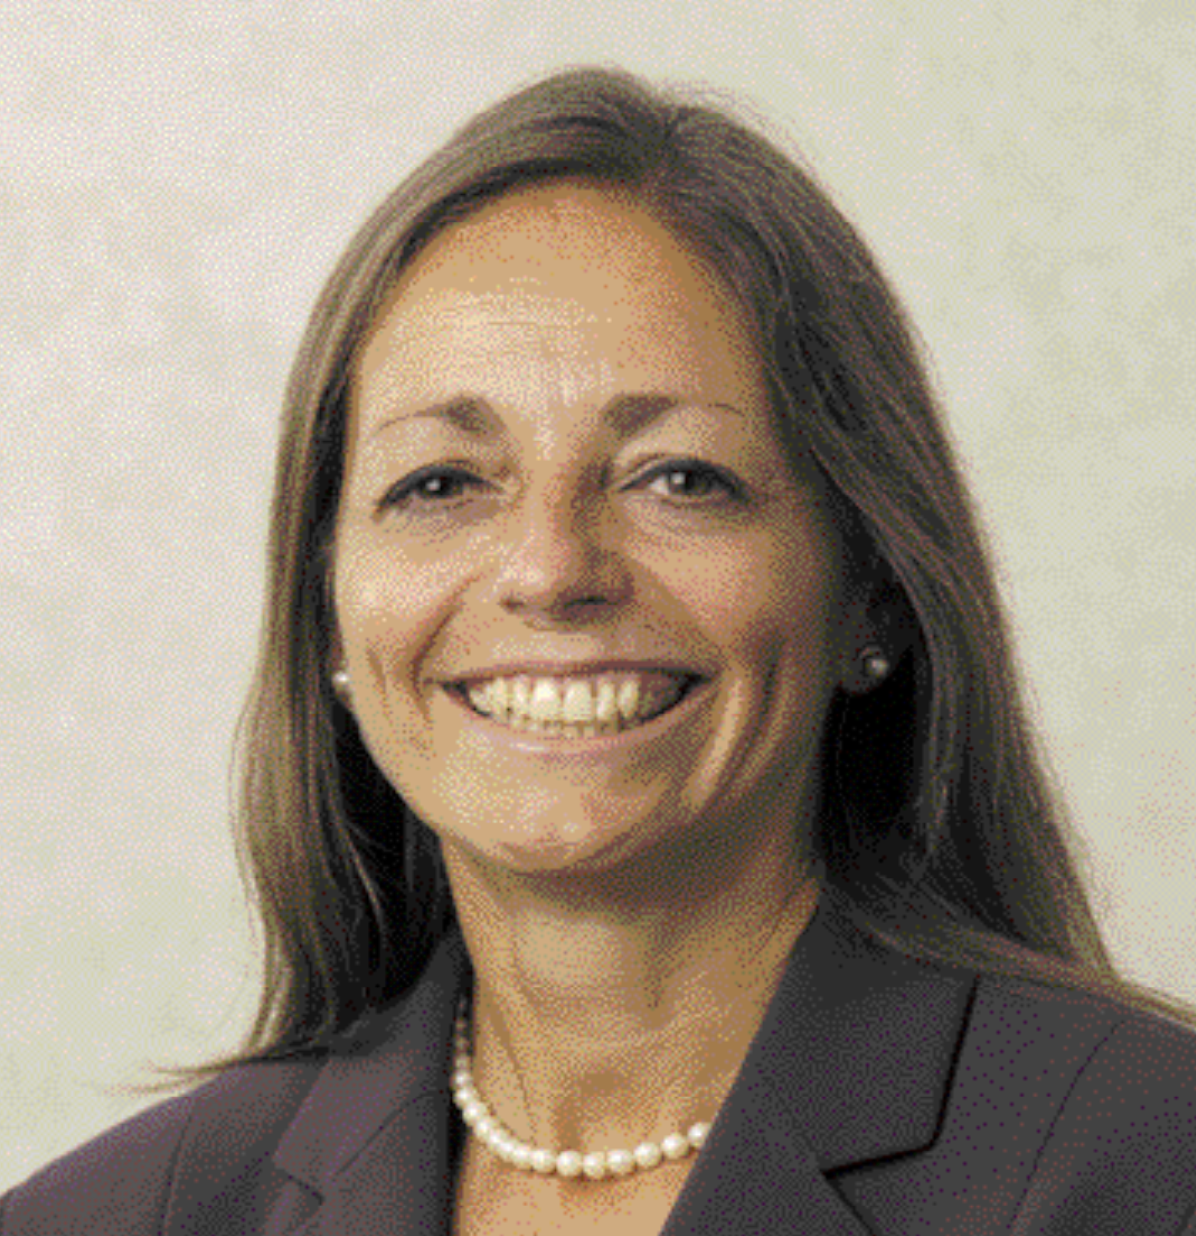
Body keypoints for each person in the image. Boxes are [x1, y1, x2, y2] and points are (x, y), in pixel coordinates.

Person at [4, 64, 1195, 1236]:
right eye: (440, 484)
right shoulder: (104, 1221)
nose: (549, 570)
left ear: (871, 596)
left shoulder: (1148, 1171)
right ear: (328, 612)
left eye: (678, 478)